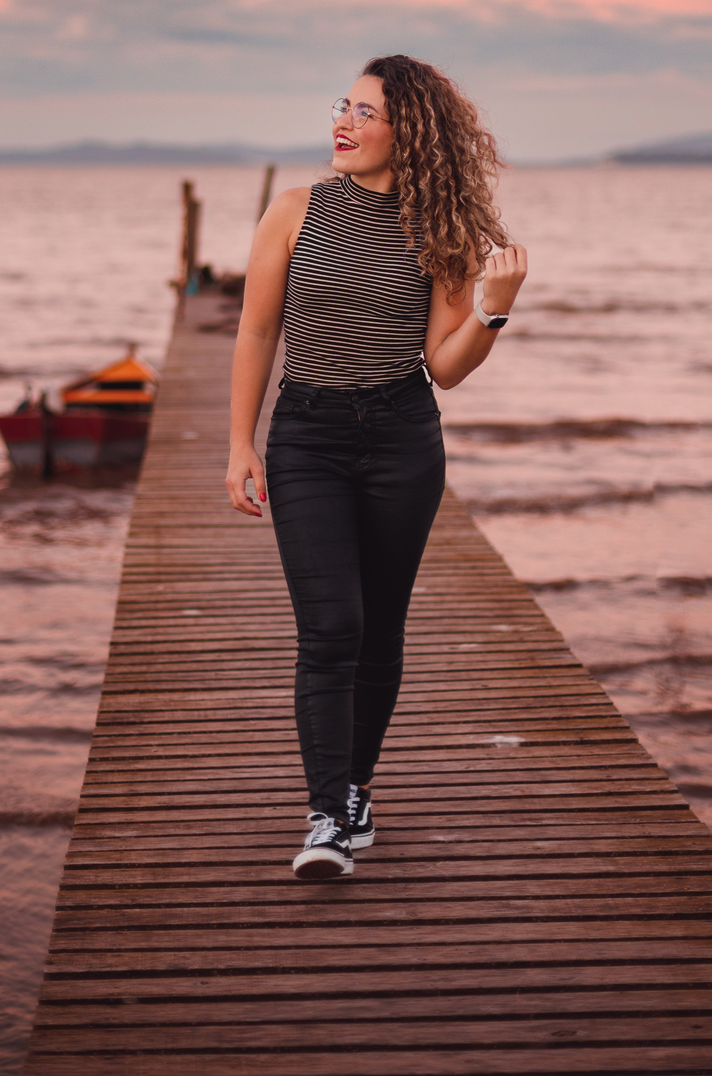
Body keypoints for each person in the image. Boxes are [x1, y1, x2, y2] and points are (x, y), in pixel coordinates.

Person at [226, 53, 528, 880]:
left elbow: (445, 364)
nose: (344, 124)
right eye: (343, 107)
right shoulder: (294, 212)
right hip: (309, 438)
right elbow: (255, 332)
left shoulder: (443, 235)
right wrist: (239, 443)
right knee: (332, 628)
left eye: (365, 114)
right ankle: (326, 814)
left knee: (380, 628)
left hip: (401, 439)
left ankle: (355, 787)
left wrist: (492, 312)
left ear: (412, 133)